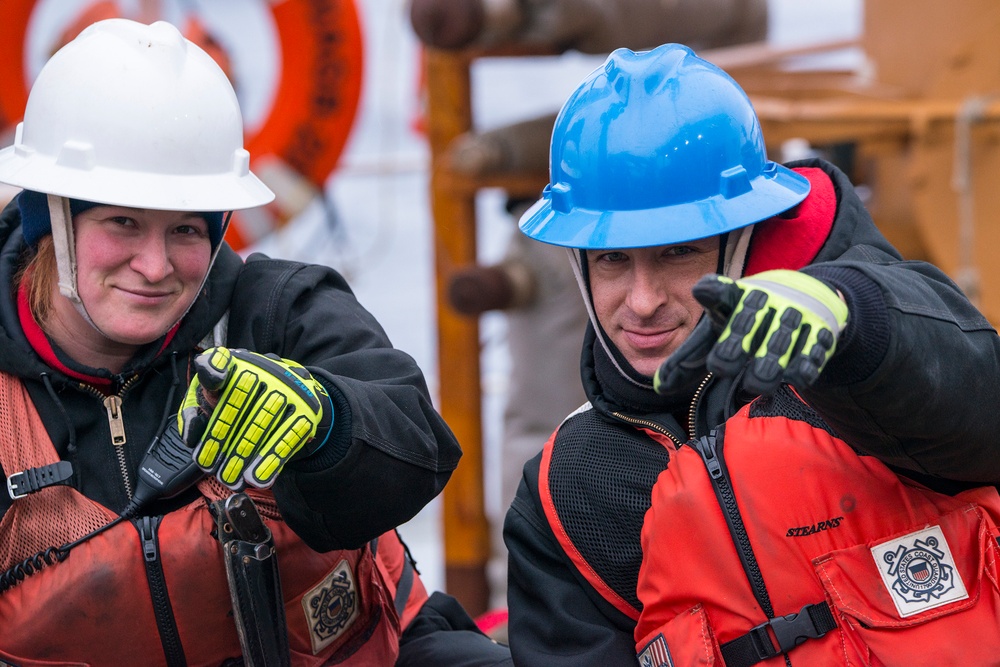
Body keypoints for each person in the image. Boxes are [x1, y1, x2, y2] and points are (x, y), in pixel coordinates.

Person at [0, 18, 511, 666]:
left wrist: (327, 419)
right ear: (51, 218)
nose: (155, 265)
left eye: (186, 229)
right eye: (123, 222)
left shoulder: (278, 311)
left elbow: (416, 444)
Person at [503, 43, 1000, 665]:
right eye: (611, 259)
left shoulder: (856, 359)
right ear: (578, 263)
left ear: (744, 234)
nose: (643, 299)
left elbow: (981, 409)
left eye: (677, 252)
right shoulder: (568, 492)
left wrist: (854, 325)